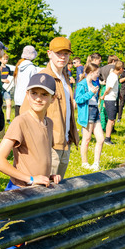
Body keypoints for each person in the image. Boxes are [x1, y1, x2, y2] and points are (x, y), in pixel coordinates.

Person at [20, 37, 79, 178]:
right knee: (45, 190)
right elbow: (25, 112)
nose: (63, 57)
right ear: (49, 53)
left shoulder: (65, 78)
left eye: (66, 53)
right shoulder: (43, 78)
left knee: (58, 191)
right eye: (59, 53)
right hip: (49, 146)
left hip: (65, 143)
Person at [0, 73, 61, 190]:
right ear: (27, 95)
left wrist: (47, 177)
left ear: (53, 98)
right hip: (20, 189)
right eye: (34, 93)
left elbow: (36, 158)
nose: (38, 98)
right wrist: (31, 179)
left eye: (44, 94)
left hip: (39, 188)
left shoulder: (49, 123)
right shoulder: (20, 122)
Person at [75, 63, 104, 171]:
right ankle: (84, 163)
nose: (98, 75)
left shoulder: (94, 83)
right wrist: (90, 93)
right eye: (97, 73)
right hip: (87, 112)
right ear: (91, 73)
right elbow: (78, 99)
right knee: (87, 139)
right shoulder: (82, 84)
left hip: (95, 111)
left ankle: (96, 163)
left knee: (100, 139)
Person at [102, 60, 124, 145]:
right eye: (123, 69)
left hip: (112, 99)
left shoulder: (113, 75)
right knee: (111, 120)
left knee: (112, 119)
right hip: (110, 99)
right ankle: (107, 138)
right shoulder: (114, 76)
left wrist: (119, 95)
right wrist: (103, 96)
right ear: (121, 69)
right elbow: (108, 88)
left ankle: (108, 137)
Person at [13, 45, 38, 117]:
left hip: (17, 99)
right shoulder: (32, 68)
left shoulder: (19, 66)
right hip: (26, 99)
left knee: (18, 123)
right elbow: (34, 84)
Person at [0, 53, 14, 123]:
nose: (5, 60)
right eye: (4, 59)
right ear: (0, 59)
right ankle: (0, 118)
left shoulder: (8, 68)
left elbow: (11, 77)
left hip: (7, 88)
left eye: (6, 59)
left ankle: (8, 119)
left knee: (9, 104)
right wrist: (3, 80)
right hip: (0, 87)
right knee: (0, 104)